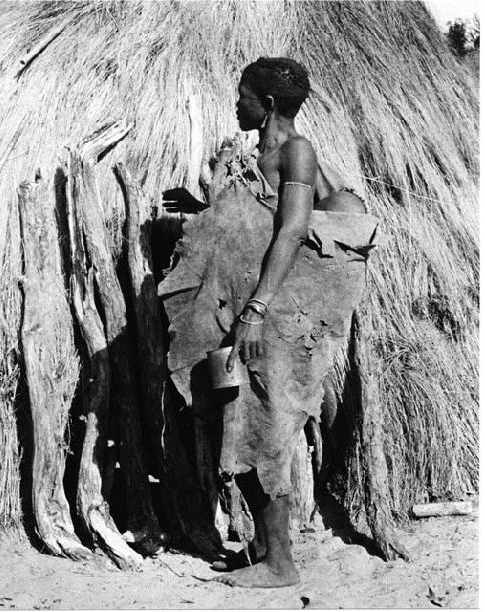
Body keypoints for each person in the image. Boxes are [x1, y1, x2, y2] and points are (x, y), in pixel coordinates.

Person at [159, 57, 378, 588]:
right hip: (244, 310)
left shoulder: (296, 151)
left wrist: (256, 312)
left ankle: (281, 562)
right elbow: (257, 219)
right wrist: (205, 210)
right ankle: (261, 547)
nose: (237, 104)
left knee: (267, 422)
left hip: (270, 313)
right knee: (237, 414)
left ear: (269, 104)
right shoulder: (257, 157)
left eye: (243, 96)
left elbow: (292, 229)